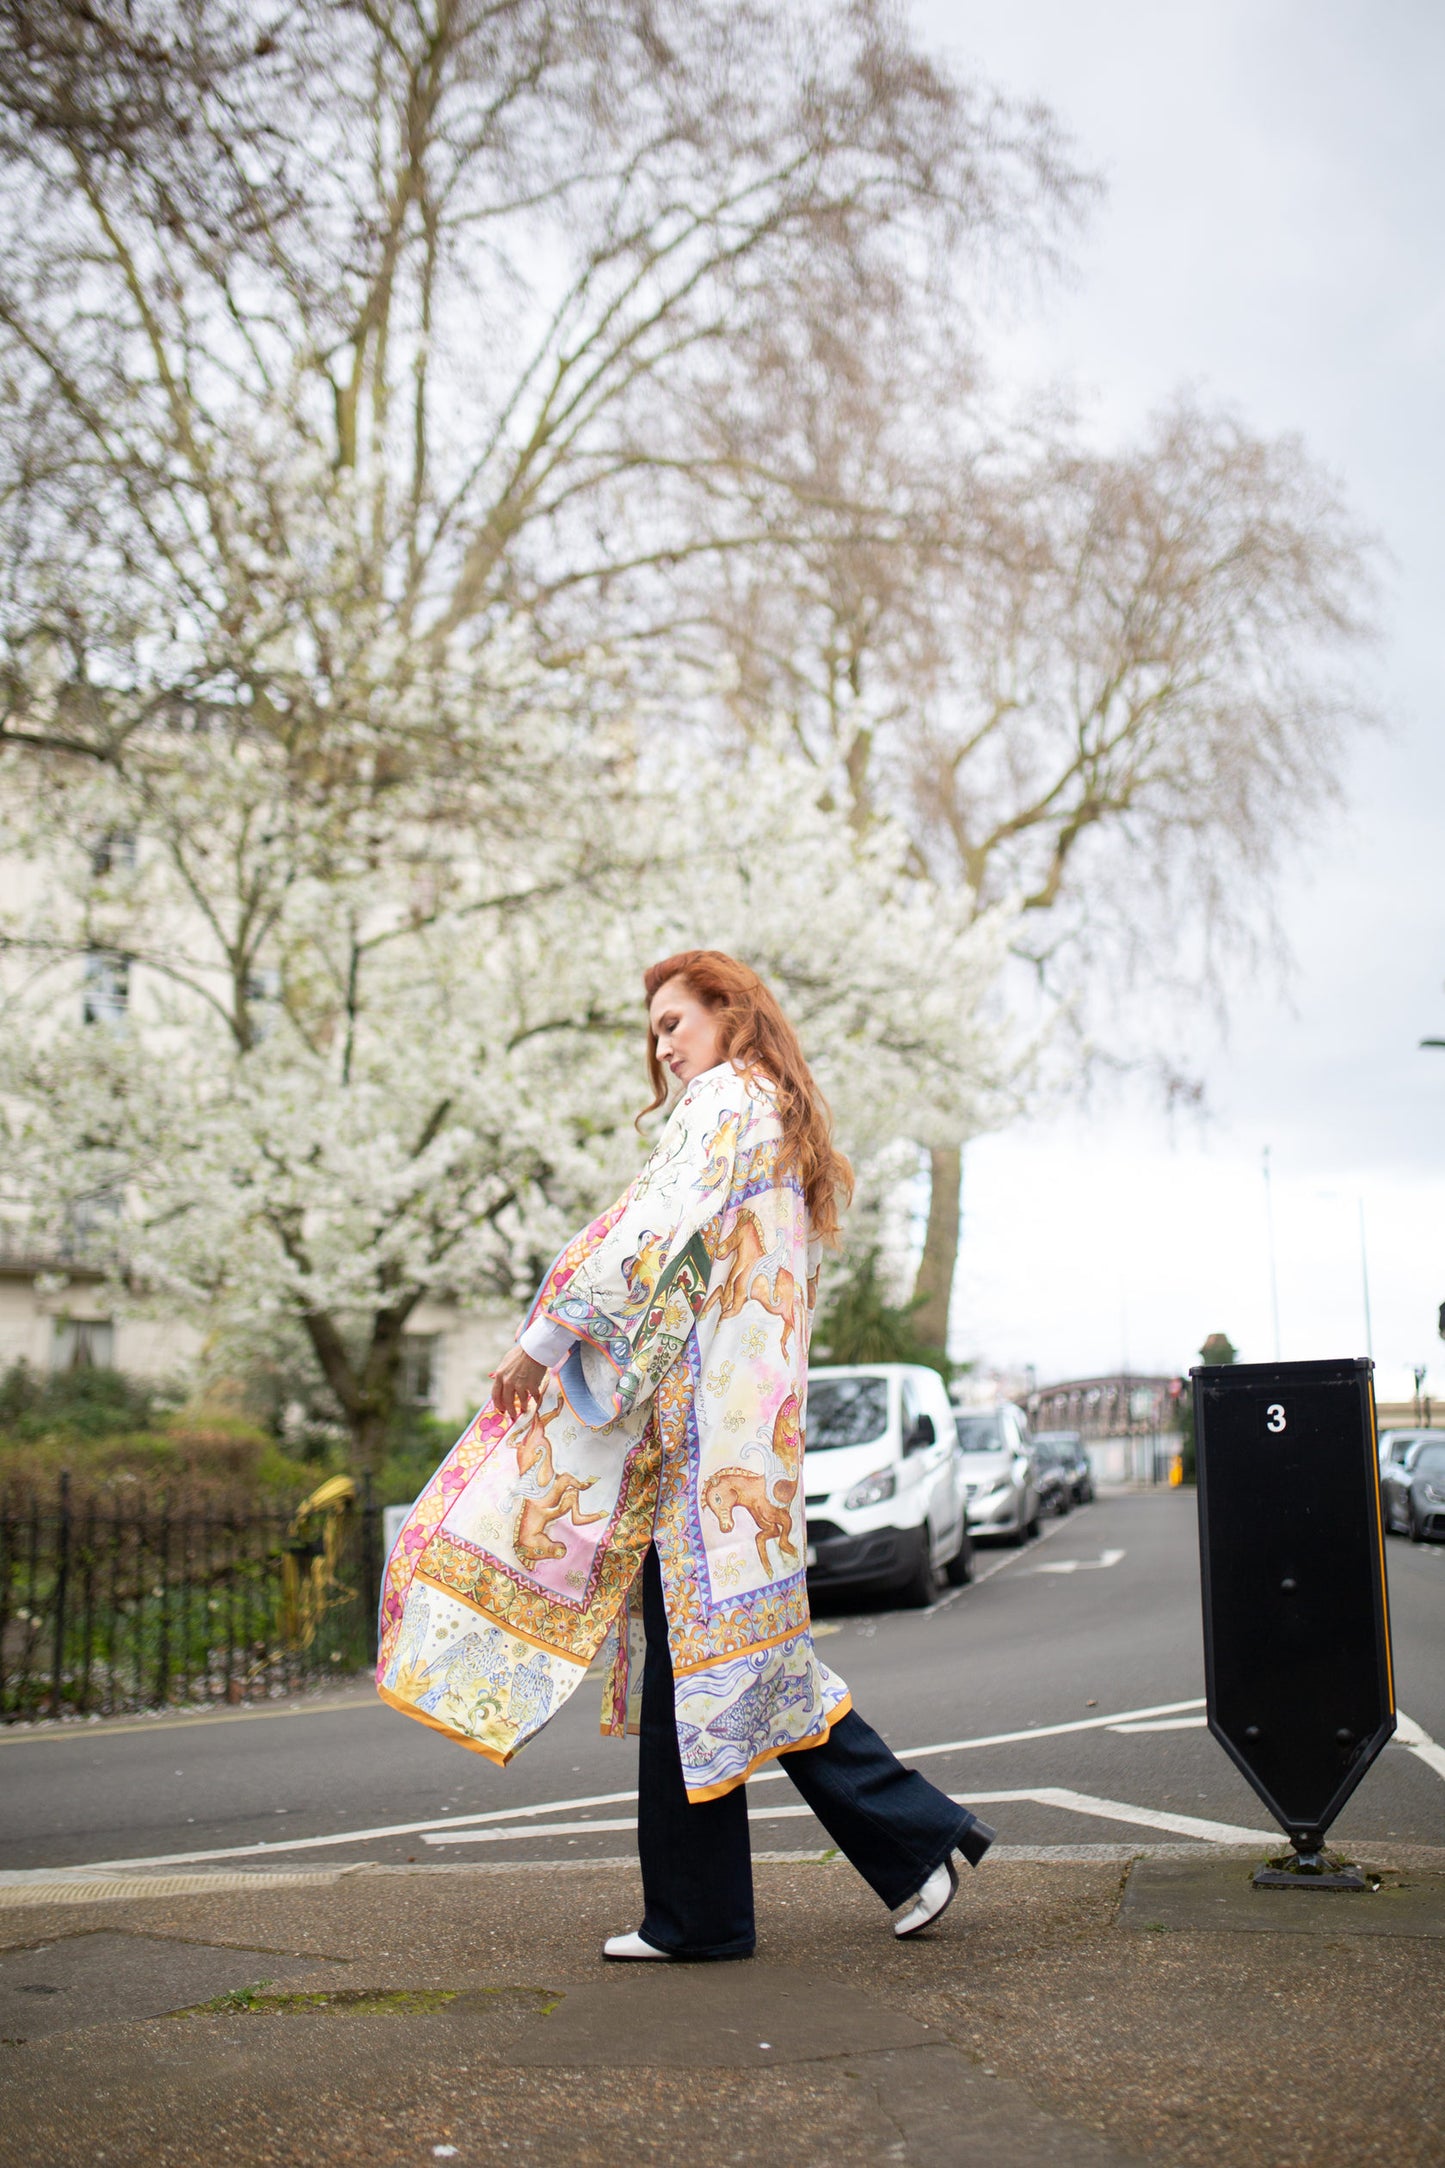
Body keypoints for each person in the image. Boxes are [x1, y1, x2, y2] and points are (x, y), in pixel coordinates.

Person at [377, 950, 994, 1959]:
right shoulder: (761, 1113)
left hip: (714, 1452)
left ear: (731, 1015)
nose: (662, 1043)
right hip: (727, 1441)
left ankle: (828, 1869)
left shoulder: (722, 1103)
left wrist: (540, 1343)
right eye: (653, 1029)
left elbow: (646, 1235)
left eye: (676, 1019)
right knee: (718, 1663)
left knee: (732, 1662)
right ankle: (811, 1875)